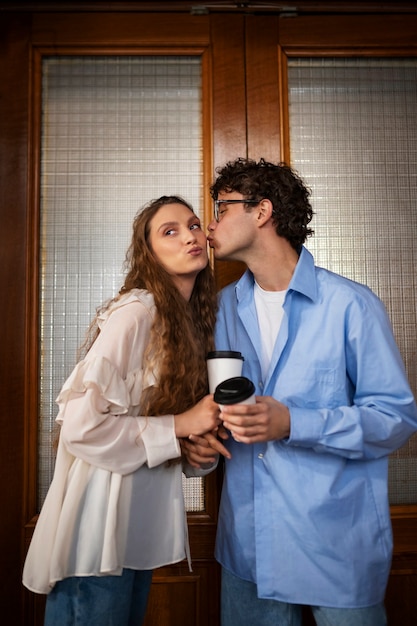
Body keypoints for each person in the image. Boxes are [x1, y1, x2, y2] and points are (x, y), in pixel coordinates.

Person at [183, 158, 417, 626]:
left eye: (221, 208)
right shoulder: (220, 309)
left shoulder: (351, 305)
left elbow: (395, 419)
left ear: (262, 211)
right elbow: (211, 413)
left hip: (335, 544)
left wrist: (293, 422)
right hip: (248, 549)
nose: (209, 225)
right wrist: (200, 450)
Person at [22, 195, 223, 626]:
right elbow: (81, 425)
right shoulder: (137, 311)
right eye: (169, 231)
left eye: (192, 225)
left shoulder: (190, 323)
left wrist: (190, 451)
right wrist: (182, 425)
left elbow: (150, 429)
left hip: (134, 530)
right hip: (98, 533)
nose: (189, 235)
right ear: (148, 253)